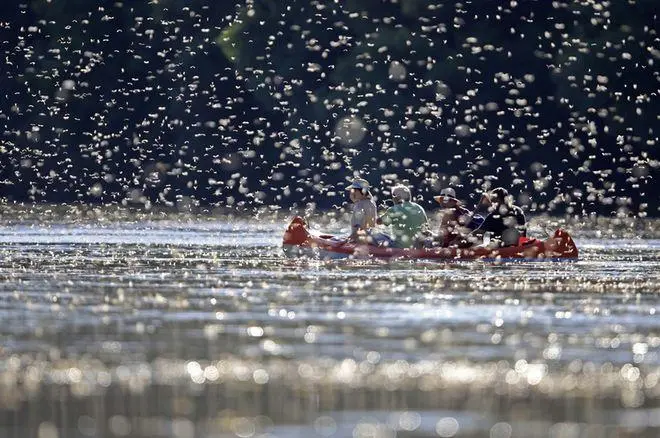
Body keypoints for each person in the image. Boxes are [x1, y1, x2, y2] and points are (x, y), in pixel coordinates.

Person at [346, 177, 377, 242]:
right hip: (369, 239)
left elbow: (359, 227)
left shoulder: (360, 205)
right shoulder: (370, 203)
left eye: (353, 191)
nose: (351, 193)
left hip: (359, 240)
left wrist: (348, 239)